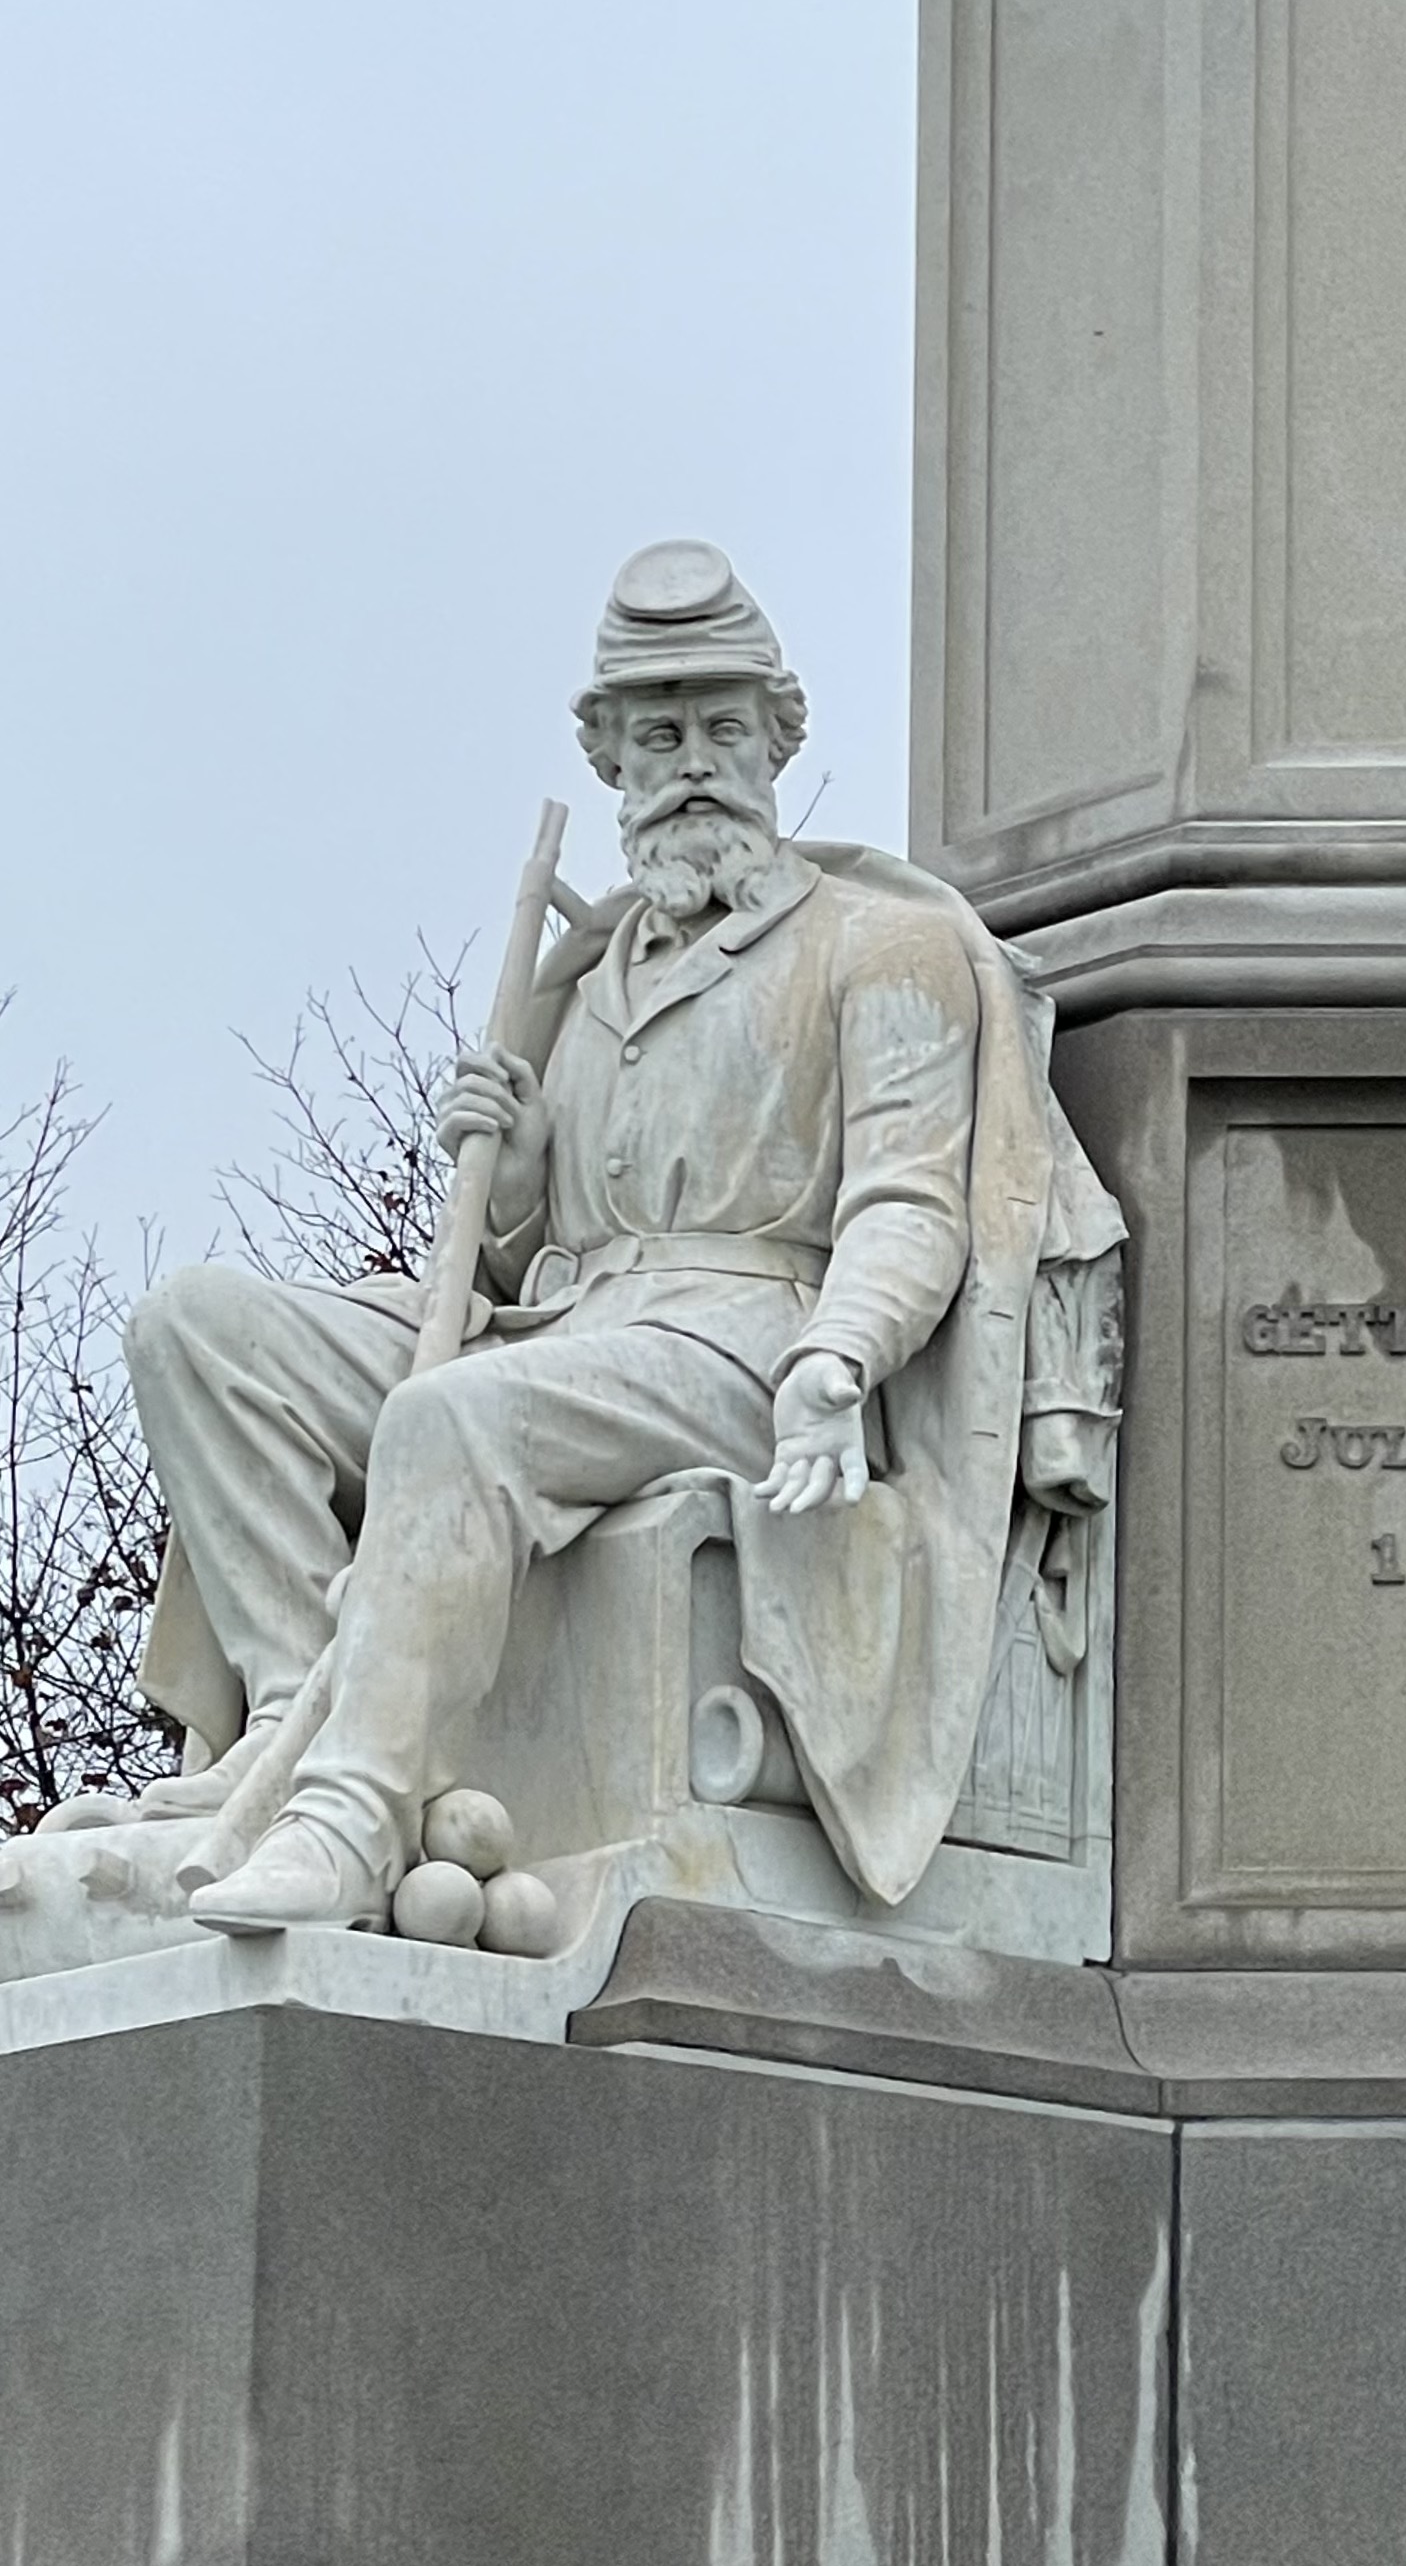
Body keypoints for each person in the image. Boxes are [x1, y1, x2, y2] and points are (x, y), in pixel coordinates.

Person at [128, 540, 1123, 1927]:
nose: (694, 762)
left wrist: (841, 1356)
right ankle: (297, 1706)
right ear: (610, 761)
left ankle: (351, 1817)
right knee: (194, 1328)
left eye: (723, 728)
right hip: (570, 1324)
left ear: (777, 741)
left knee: (450, 1420)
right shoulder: (587, 976)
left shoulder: (878, 946)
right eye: (659, 735)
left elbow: (912, 1204)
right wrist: (522, 1172)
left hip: (752, 1340)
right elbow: (513, 1267)